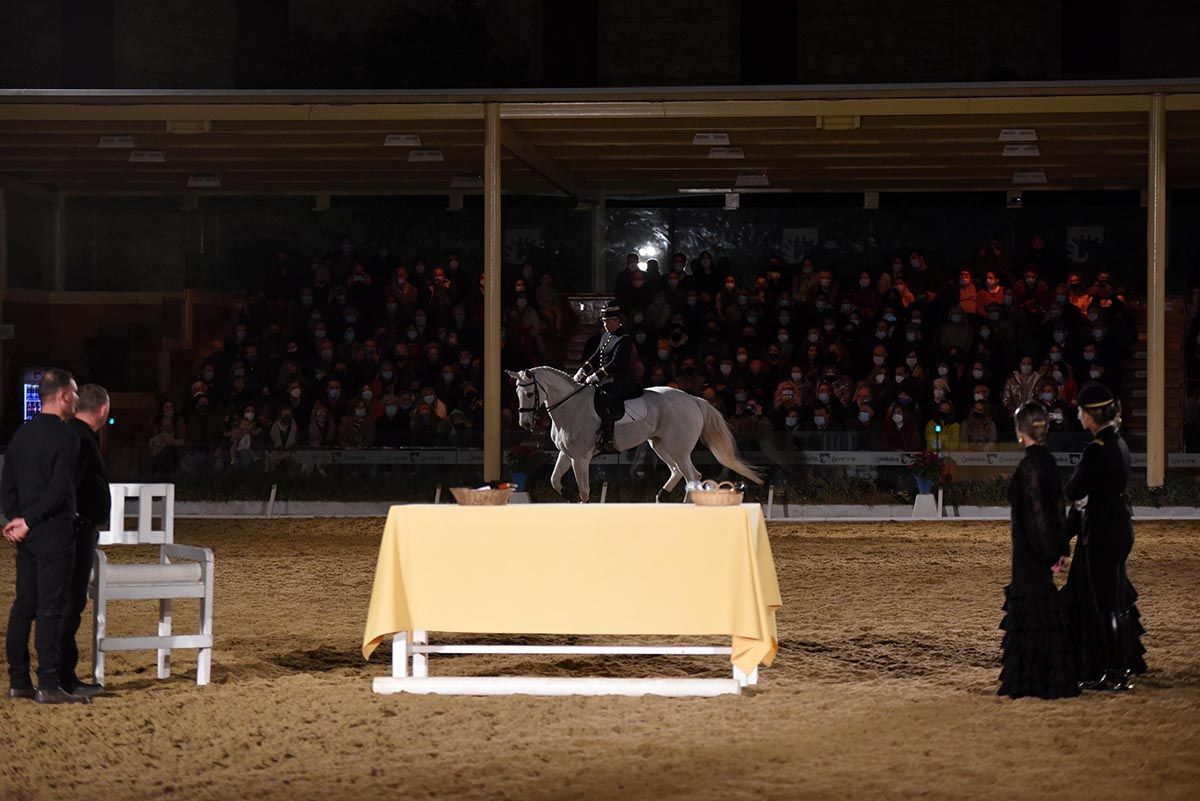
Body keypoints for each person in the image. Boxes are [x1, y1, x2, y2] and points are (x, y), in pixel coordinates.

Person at [1, 369, 89, 704]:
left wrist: (16, 520)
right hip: (53, 530)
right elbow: (60, 489)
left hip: (26, 535)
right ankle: (49, 684)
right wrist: (31, 520)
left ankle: (18, 681)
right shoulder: (68, 437)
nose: (77, 399)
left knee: (24, 606)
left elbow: (7, 486)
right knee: (51, 608)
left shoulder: (21, 435)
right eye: (75, 393)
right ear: (65, 395)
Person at [1061, 383, 1146, 691]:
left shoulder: (1096, 449)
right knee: (1116, 600)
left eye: (1082, 412)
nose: (1080, 417)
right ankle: (1118, 668)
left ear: (1093, 414)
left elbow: (1072, 490)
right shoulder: (1119, 443)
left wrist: (1079, 498)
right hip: (1120, 525)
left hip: (1103, 529)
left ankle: (1116, 672)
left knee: (1106, 604)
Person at [998, 402, 1079, 699]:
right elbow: (1058, 509)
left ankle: (1033, 681)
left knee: (1032, 611)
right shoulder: (1049, 462)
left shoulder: (1028, 466)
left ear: (1021, 432)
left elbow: (1037, 518)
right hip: (1044, 549)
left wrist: (1048, 552)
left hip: (1030, 553)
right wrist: (1061, 549)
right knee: (1044, 613)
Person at [62, 384, 111, 699]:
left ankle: (63, 674)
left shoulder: (76, 435)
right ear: (103, 411)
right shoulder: (80, 438)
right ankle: (64, 676)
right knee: (71, 604)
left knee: (71, 603)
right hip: (77, 529)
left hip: (78, 527)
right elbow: (70, 482)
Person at [575, 302, 641, 451]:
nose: (606, 324)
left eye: (609, 321)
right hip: (604, 378)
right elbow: (595, 356)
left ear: (618, 321)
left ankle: (608, 438)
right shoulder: (605, 336)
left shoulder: (624, 338)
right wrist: (583, 370)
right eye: (604, 321)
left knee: (602, 400)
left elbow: (616, 363)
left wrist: (597, 375)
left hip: (619, 379)